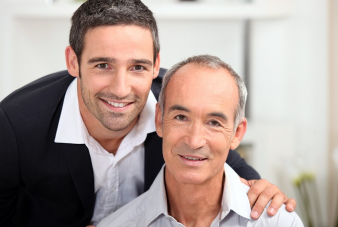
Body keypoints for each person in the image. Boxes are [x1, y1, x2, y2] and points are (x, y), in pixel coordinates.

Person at [0, 0, 295, 226]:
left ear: (156, 65)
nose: (120, 88)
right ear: (73, 61)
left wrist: (262, 190)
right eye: (103, 65)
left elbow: (228, 167)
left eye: (138, 67)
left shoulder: (180, 105)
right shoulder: (13, 129)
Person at [98, 55, 304, 227]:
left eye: (214, 122)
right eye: (180, 117)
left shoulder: (280, 222)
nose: (194, 141)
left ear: (237, 133)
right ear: (159, 120)